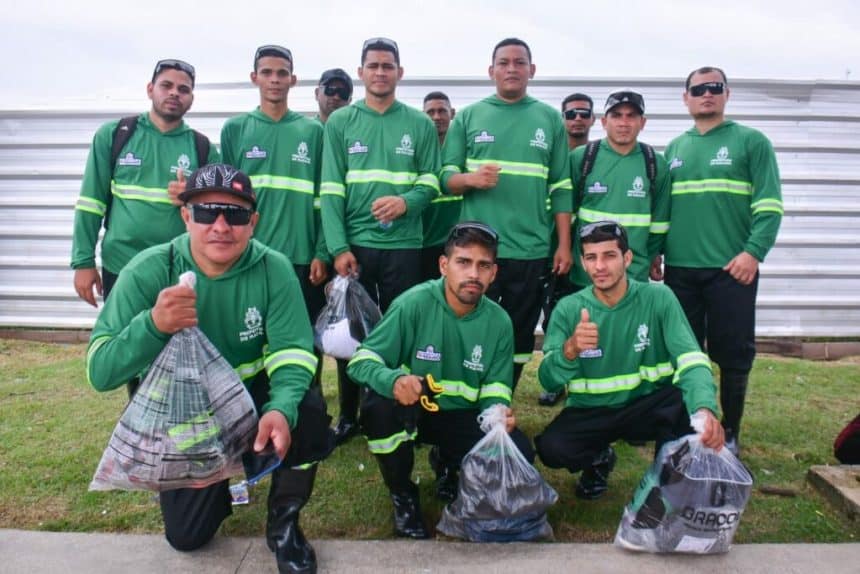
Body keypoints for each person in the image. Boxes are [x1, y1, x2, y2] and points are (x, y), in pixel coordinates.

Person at [86, 163, 334, 574]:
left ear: (253, 222)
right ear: (186, 216)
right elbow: (100, 371)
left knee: (307, 410)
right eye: (206, 212)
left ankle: (284, 523)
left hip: (252, 399)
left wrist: (281, 407)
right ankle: (219, 480)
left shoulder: (273, 268)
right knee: (188, 537)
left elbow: (293, 350)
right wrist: (153, 325)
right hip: (188, 411)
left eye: (235, 214)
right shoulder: (149, 269)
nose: (221, 225)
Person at [347, 221, 534, 538]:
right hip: (415, 410)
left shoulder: (500, 322)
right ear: (444, 265)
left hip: (463, 415)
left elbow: (497, 389)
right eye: (464, 262)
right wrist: (393, 381)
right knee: (378, 409)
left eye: (483, 265)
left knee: (520, 453)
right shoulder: (413, 304)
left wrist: (498, 414)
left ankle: (449, 463)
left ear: (493, 273)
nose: (473, 274)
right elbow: (362, 361)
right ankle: (403, 494)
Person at [535, 221, 724, 500]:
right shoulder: (568, 309)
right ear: (583, 264)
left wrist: (705, 409)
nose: (600, 266)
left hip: (646, 404)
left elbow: (692, 360)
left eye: (609, 256)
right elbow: (547, 379)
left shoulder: (658, 297)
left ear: (627, 258)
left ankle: (668, 477)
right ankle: (599, 458)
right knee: (552, 448)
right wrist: (570, 350)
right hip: (593, 410)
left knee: (686, 407)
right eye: (591, 257)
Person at [321, 37, 440, 446]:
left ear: (399, 73)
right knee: (351, 332)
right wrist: (338, 247)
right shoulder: (340, 123)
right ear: (361, 72)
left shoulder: (420, 124)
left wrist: (405, 203)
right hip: (357, 246)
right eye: (373, 65)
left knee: (403, 328)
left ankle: (406, 410)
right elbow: (331, 191)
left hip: (405, 245)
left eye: (388, 66)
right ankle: (350, 414)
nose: (380, 72)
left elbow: (431, 182)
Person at [661, 66, 783, 456]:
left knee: (732, 353)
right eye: (698, 89)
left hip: (732, 270)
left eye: (714, 88)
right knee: (685, 352)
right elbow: (663, 211)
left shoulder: (751, 142)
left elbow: (770, 207)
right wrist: (655, 254)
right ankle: (691, 426)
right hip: (681, 270)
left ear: (727, 94)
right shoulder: (674, 150)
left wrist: (753, 253)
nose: (706, 95)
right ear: (686, 98)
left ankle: (730, 432)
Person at [441, 38, 573, 388]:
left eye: (519, 62)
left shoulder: (549, 120)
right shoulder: (469, 116)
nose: (511, 68)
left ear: (532, 70)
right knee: (468, 326)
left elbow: (561, 188)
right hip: (476, 253)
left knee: (518, 333)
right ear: (491, 70)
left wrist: (563, 244)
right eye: (503, 62)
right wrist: (472, 178)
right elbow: (445, 179)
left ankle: (502, 401)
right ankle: (464, 401)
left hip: (529, 250)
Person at [220, 45, 329, 387]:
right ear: (254, 78)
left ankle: (307, 410)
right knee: (251, 334)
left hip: (301, 258)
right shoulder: (235, 129)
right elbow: (229, 200)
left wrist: (322, 251)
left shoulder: (313, 132)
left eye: (282, 73)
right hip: (251, 256)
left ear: (293, 80)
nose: (275, 80)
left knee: (303, 338)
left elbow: (323, 198)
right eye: (267, 72)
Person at [72, 59, 219, 308]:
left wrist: (192, 196)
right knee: (123, 341)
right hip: (121, 264)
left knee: (178, 343)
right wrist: (83, 262)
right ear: (150, 89)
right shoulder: (115, 135)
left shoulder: (202, 148)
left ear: (191, 98)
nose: (174, 93)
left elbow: (216, 214)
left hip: (178, 267)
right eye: (166, 85)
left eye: (183, 89)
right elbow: (90, 203)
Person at [538, 91, 597, 407]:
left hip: (584, 257)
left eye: (583, 113)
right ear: (562, 118)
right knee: (554, 319)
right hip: (550, 252)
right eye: (571, 113)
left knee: (586, 320)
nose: (577, 119)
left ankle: (586, 380)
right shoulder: (551, 154)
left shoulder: (598, 157)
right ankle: (555, 381)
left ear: (593, 119)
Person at [420, 91, 460, 281]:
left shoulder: (462, 150)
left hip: (456, 243)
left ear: (452, 113)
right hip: (423, 243)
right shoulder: (417, 151)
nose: (436, 117)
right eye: (430, 112)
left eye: (442, 111)